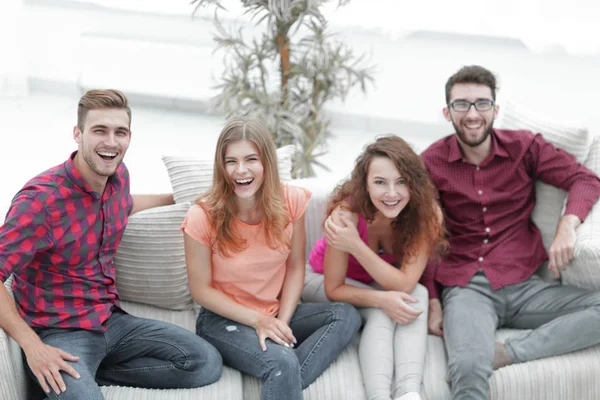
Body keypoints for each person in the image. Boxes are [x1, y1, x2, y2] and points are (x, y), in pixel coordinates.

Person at [0, 89, 223, 400]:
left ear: (129, 137)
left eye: (120, 132)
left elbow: (124, 204)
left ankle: (89, 374)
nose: (111, 142)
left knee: (205, 362)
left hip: (110, 320)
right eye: (99, 130)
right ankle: (63, 379)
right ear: (77, 134)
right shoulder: (40, 202)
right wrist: (33, 347)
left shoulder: (117, 178)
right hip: (60, 331)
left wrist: (180, 201)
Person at [420, 65, 600, 399]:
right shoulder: (430, 162)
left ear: (495, 109)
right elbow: (424, 236)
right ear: (447, 112)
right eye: (462, 104)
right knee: (469, 369)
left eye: (481, 103)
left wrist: (567, 225)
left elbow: (585, 179)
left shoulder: (525, 148)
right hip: (466, 288)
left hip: (525, 286)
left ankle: (510, 352)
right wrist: (432, 299)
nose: (472, 114)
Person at [182, 119, 361, 400]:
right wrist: (258, 321)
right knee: (282, 362)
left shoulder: (291, 200)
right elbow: (200, 291)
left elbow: (295, 266)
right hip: (223, 320)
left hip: (274, 311)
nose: (240, 170)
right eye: (231, 161)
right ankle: (280, 371)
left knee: (346, 315)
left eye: (251, 159)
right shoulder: (202, 215)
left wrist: (282, 322)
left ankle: (282, 378)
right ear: (222, 166)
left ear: (266, 161)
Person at [302, 136, 447, 400]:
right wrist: (382, 299)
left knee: (417, 296)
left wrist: (356, 246)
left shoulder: (426, 214)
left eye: (401, 181)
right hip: (320, 279)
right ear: (365, 185)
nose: (392, 193)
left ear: (414, 183)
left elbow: (405, 283)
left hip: (371, 281)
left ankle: (409, 393)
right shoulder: (346, 215)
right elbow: (334, 288)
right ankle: (379, 396)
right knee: (381, 314)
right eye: (380, 182)